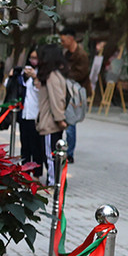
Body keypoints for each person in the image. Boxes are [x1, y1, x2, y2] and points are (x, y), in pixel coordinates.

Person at [35, 44, 69, 184]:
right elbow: (56, 99)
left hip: (50, 122)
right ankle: (54, 181)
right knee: (51, 154)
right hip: (51, 122)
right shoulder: (53, 76)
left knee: (51, 154)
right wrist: (60, 119)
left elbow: (56, 99)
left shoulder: (52, 76)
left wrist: (60, 119)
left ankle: (54, 181)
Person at [6, 48, 41, 172]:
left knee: (36, 147)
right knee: (24, 146)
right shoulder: (22, 74)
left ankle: (36, 173)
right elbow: (8, 85)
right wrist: (13, 75)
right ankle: (24, 172)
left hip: (35, 116)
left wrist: (35, 77)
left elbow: (40, 90)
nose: (33, 61)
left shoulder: (41, 74)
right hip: (24, 115)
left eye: (36, 58)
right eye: (31, 58)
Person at [59, 29, 91, 162]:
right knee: (65, 122)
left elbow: (81, 73)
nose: (62, 43)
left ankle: (70, 153)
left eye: (63, 40)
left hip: (76, 94)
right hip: (65, 91)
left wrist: (63, 76)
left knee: (71, 123)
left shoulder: (82, 55)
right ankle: (64, 149)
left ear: (71, 38)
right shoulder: (66, 54)